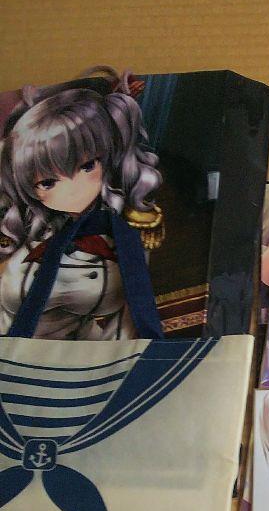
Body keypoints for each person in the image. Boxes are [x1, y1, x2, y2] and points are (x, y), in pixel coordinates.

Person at [0, 77, 163, 339]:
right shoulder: (24, 227)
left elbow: (128, 323)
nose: (72, 189)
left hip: (86, 357)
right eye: (47, 182)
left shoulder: (124, 235)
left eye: (87, 166)